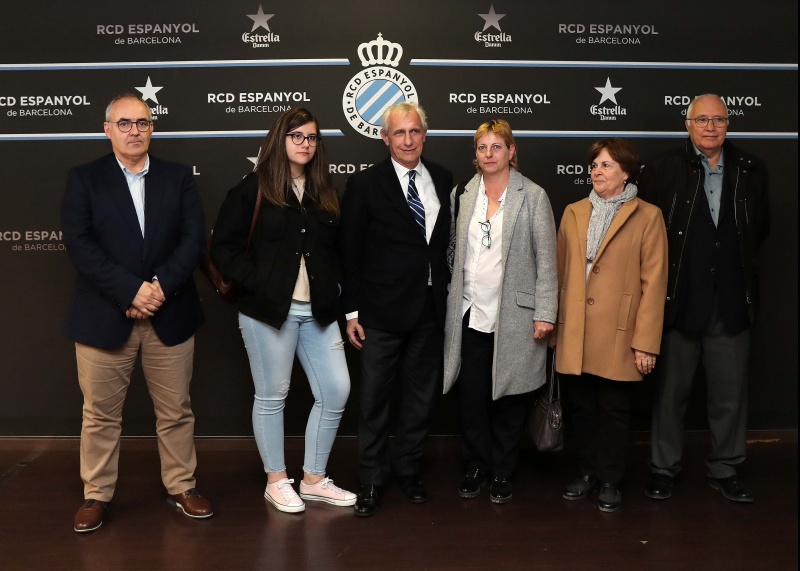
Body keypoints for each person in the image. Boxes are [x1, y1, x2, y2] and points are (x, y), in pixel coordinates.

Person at [62, 93, 211, 533]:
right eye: (124, 123)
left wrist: (158, 289)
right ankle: (96, 494)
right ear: (107, 129)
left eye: (142, 122)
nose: (134, 131)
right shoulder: (84, 178)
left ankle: (182, 485)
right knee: (100, 415)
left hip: (170, 312)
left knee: (176, 410)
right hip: (104, 316)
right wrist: (130, 291)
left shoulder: (178, 177)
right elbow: (80, 244)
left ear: (152, 128)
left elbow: (193, 240)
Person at [210, 108, 355, 513]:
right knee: (273, 395)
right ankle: (276, 480)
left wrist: (336, 289)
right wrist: (259, 283)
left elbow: (336, 251)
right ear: (281, 139)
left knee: (336, 390)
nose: (305, 144)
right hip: (268, 312)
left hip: (318, 311)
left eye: (312, 137)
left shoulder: (324, 190)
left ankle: (313, 479)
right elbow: (224, 248)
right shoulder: (253, 188)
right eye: (297, 136)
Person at [640, 94, 770, 503]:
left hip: (731, 300)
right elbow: (647, 234)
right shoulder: (662, 168)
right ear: (688, 124)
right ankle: (663, 468)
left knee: (729, 395)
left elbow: (759, 229)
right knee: (670, 393)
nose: (710, 127)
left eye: (718, 119)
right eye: (702, 119)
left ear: (728, 124)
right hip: (678, 299)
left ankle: (725, 468)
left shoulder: (751, 168)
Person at [339, 102, 453, 517]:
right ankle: (371, 478)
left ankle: (408, 469)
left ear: (425, 134)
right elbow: (349, 251)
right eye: (399, 133)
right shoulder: (365, 184)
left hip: (430, 309)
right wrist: (351, 311)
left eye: (414, 131)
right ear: (385, 138)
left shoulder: (443, 178)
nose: (408, 140)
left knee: (420, 399)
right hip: (379, 313)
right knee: (374, 400)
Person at [443, 120, 558, 503]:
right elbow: (453, 252)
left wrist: (545, 312)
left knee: (510, 398)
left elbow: (547, 260)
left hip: (516, 317)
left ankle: (503, 471)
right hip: (470, 313)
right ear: (475, 155)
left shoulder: (533, 196)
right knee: (472, 397)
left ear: (511, 151)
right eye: (482, 147)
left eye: (497, 146)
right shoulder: (463, 194)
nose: (489, 154)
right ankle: (477, 465)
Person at [554, 138, 667, 512]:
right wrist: (555, 327)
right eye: (594, 165)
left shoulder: (647, 216)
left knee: (614, 410)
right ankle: (587, 473)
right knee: (581, 409)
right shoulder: (573, 212)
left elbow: (655, 284)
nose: (597, 172)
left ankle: (610, 480)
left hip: (620, 332)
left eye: (606, 165)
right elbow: (558, 272)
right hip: (575, 330)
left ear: (626, 172)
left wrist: (646, 342)